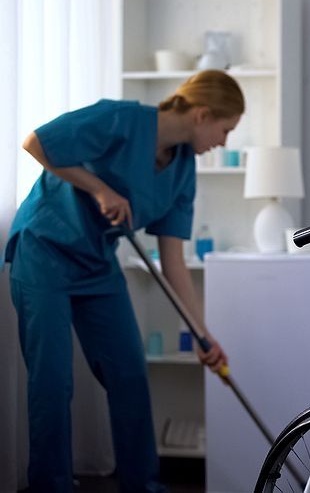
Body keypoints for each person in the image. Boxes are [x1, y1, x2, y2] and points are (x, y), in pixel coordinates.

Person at [4, 69, 241, 492]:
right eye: (225, 130)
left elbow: (173, 263)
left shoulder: (184, 171)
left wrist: (204, 335)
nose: (223, 142)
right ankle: (50, 486)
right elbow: (36, 142)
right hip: (45, 250)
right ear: (203, 115)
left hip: (96, 265)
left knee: (129, 373)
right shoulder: (119, 119)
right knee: (52, 382)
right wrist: (99, 189)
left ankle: (142, 485)